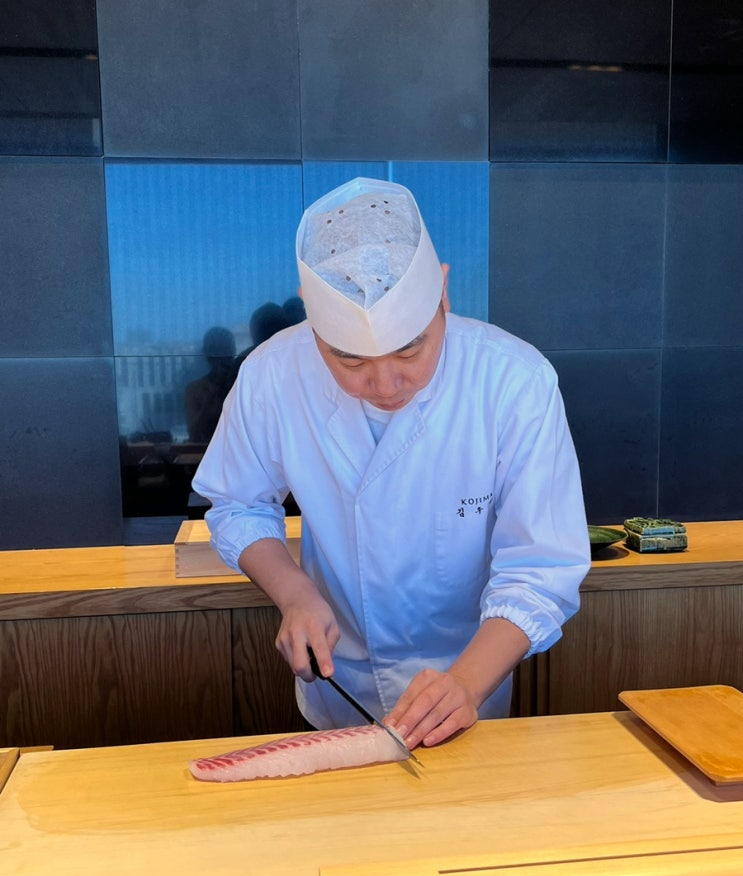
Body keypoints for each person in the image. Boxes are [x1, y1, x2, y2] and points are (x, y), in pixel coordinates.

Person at [193, 177, 590, 751]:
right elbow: (237, 504)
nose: (384, 384)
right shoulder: (273, 375)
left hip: (470, 693)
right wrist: (294, 592)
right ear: (312, 320)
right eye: (349, 360)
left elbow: (541, 566)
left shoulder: (514, 381)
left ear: (443, 294)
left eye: (410, 349)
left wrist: (466, 683)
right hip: (338, 689)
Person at [184, 326, 236, 443]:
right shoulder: (194, 390)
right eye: (216, 351)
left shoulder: (243, 386)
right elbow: (194, 434)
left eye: (225, 351)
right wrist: (210, 398)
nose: (221, 358)